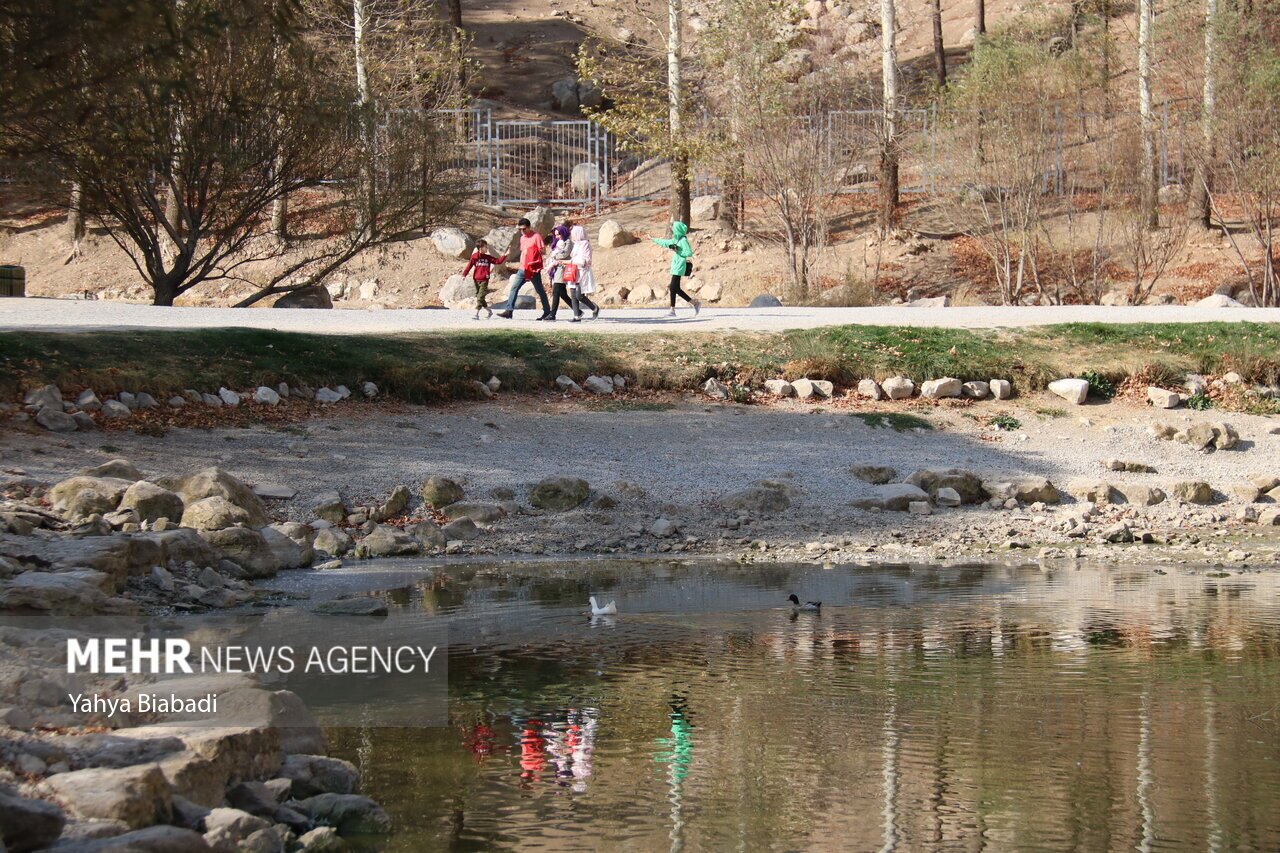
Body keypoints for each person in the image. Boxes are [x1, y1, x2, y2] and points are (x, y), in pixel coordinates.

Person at [495, 218, 550, 319]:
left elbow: (543, 251)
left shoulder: (536, 236)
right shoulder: (522, 238)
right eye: (520, 229)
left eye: (524, 229)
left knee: (540, 290)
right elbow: (523, 252)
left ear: (529, 227)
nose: (522, 231)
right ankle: (509, 311)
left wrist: (533, 252)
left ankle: (547, 311)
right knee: (514, 288)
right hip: (522, 268)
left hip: (532, 268)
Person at [652, 221, 700, 318]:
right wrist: (652, 239)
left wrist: (677, 249)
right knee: (674, 288)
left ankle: (675, 309)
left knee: (673, 287)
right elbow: (665, 242)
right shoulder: (676, 239)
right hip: (675, 266)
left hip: (680, 265)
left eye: (674, 228)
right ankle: (691, 304)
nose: (673, 230)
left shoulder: (682, 240)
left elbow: (688, 252)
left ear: (677, 229)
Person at [459, 238, 506, 320]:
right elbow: (469, 266)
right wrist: (464, 275)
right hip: (476, 279)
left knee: (480, 297)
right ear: (480, 248)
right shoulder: (474, 257)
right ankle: (489, 311)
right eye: (485, 247)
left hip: (485, 280)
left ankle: (476, 314)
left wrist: (505, 255)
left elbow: (497, 261)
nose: (487, 248)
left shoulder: (488, 257)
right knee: (479, 297)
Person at [567, 224, 599, 322]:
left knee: (579, 295)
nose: (572, 236)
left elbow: (584, 260)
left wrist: (571, 261)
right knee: (573, 293)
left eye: (573, 234)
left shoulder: (585, 244)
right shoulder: (576, 244)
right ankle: (577, 315)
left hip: (582, 272)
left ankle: (594, 308)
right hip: (574, 271)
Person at [544, 231, 574, 322]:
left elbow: (564, 254)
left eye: (559, 234)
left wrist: (555, 256)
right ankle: (578, 310)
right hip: (557, 268)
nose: (557, 236)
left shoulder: (568, 242)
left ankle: (552, 314)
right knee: (562, 293)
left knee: (556, 291)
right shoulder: (558, 242)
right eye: (556, 235)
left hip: (562, 268)